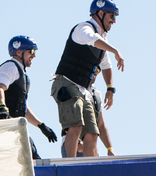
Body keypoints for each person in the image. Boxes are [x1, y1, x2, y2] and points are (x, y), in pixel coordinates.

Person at [51, 0, 124, 158]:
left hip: (84, 91)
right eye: (112, 15)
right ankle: (71, 166)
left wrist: (110, 88)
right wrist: (115, 50)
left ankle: (91, 168)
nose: (114, 20)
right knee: (76, 126)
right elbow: (92, 39)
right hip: (67, 83)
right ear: (100, 13)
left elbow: (106, 66)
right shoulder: (83, 28)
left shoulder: (101, 41)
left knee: (92, 133)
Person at [0, 36, 58, 160]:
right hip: (4, 125)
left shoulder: (23, 74)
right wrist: (2, 108)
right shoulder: (10, 67)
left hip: (15, 125)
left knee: (32, 157)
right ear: (18, 52)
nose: (34, 55)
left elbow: (22, 106)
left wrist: (41, 125)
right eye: (31, 51)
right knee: (29, 158)